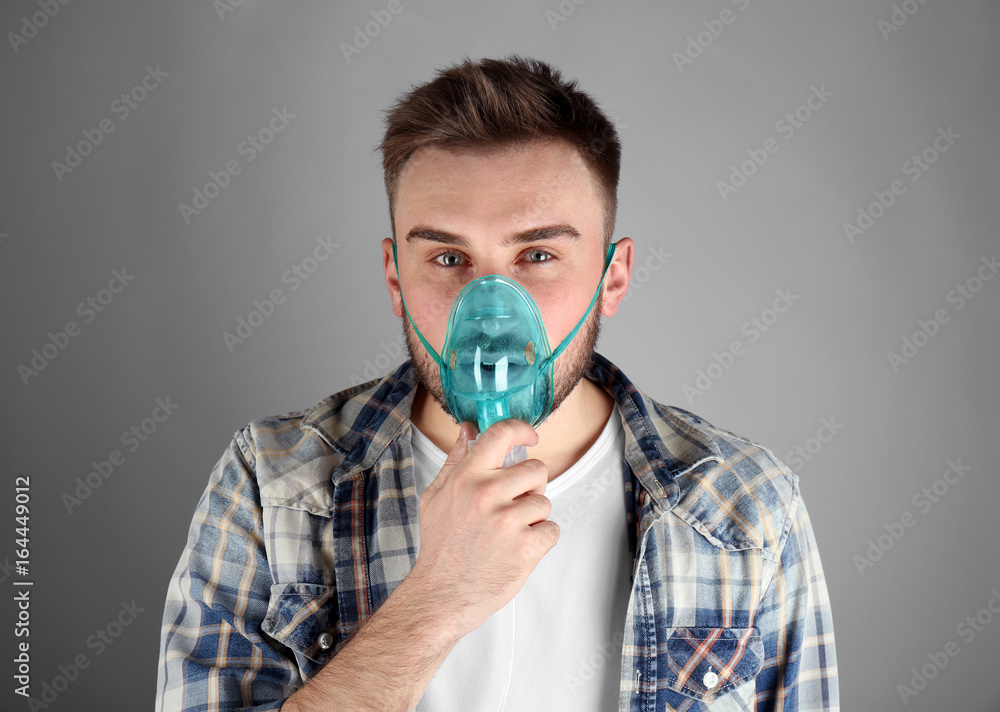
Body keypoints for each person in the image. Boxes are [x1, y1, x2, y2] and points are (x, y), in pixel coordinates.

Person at [155, 54, 839, 711]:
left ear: (613, 276)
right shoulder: (273, 488)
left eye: (538, 254)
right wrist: (436, 599)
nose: (489, 310)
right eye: (448, 257)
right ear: (397, 279)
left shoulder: (745, 508)